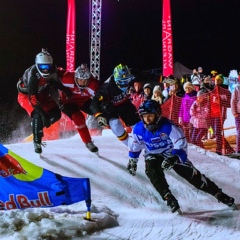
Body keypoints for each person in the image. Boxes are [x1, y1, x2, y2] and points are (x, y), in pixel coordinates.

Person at [127, 100, 236, 213]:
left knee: (192, 175)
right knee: (152, 172)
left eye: (150, 116)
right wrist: (132, 161)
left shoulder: (168, 126)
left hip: (172, 153)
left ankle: (218, 194)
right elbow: (135, 145)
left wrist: (174, 157)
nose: (148, 119)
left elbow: (181, 142)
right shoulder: (138, 129)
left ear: (157, 115)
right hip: (152, 154)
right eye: (145, 116)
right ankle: (168, 198)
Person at [17, 48, 72, 154]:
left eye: (48, 66)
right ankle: (37, 142)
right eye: (43, 66)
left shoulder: (53, 69)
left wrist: (65, 90)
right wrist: (44, 115)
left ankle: (38, 126)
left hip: (43, 94)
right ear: (37, 65)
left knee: (56, 114)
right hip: (27, 96)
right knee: (38, 114)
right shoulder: (33, 76)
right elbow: (32, 99)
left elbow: (55, 82)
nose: (46, 69)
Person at [90, 64, 140, 146]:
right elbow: (94, 102)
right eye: (121, 81)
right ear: (116, 79)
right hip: (110, 107)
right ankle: (130, 145)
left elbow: (144, 74)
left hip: (124, 103)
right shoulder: (106, 88)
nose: (124, 84)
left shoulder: (131, 73)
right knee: (115, 125)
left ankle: (146, 142)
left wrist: (162, 79)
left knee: (137, 125)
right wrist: (99, 115)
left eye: (126, 80)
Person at [59, 64, 100, 153]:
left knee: (102, 111)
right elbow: (54, 73)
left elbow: (101, 96)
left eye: (85, 81)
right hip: (67, 102)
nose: (82, 83)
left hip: (84, 101)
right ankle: (88, 142)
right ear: (75, 77)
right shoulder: (66, 78)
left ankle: (116, 130)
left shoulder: (93, 84)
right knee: (78, 118)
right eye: (80, 80)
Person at [209, 74, 234, 155]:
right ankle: (229, 148)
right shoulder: (213, 91)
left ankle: (219, 150)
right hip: (212, 115)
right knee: (217, 133)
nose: (217, 81)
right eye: (216, 80)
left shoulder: (226, 92)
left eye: (219, 80)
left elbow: (229, 104)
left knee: (217, 132)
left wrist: (220, 102)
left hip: (220, 115)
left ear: (222, 81)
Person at [231, 80, 240, 153]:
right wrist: (234, 112)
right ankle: (238, 150)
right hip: (239, 114)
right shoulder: (237, 88)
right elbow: (233, 100)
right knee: (239, 132)